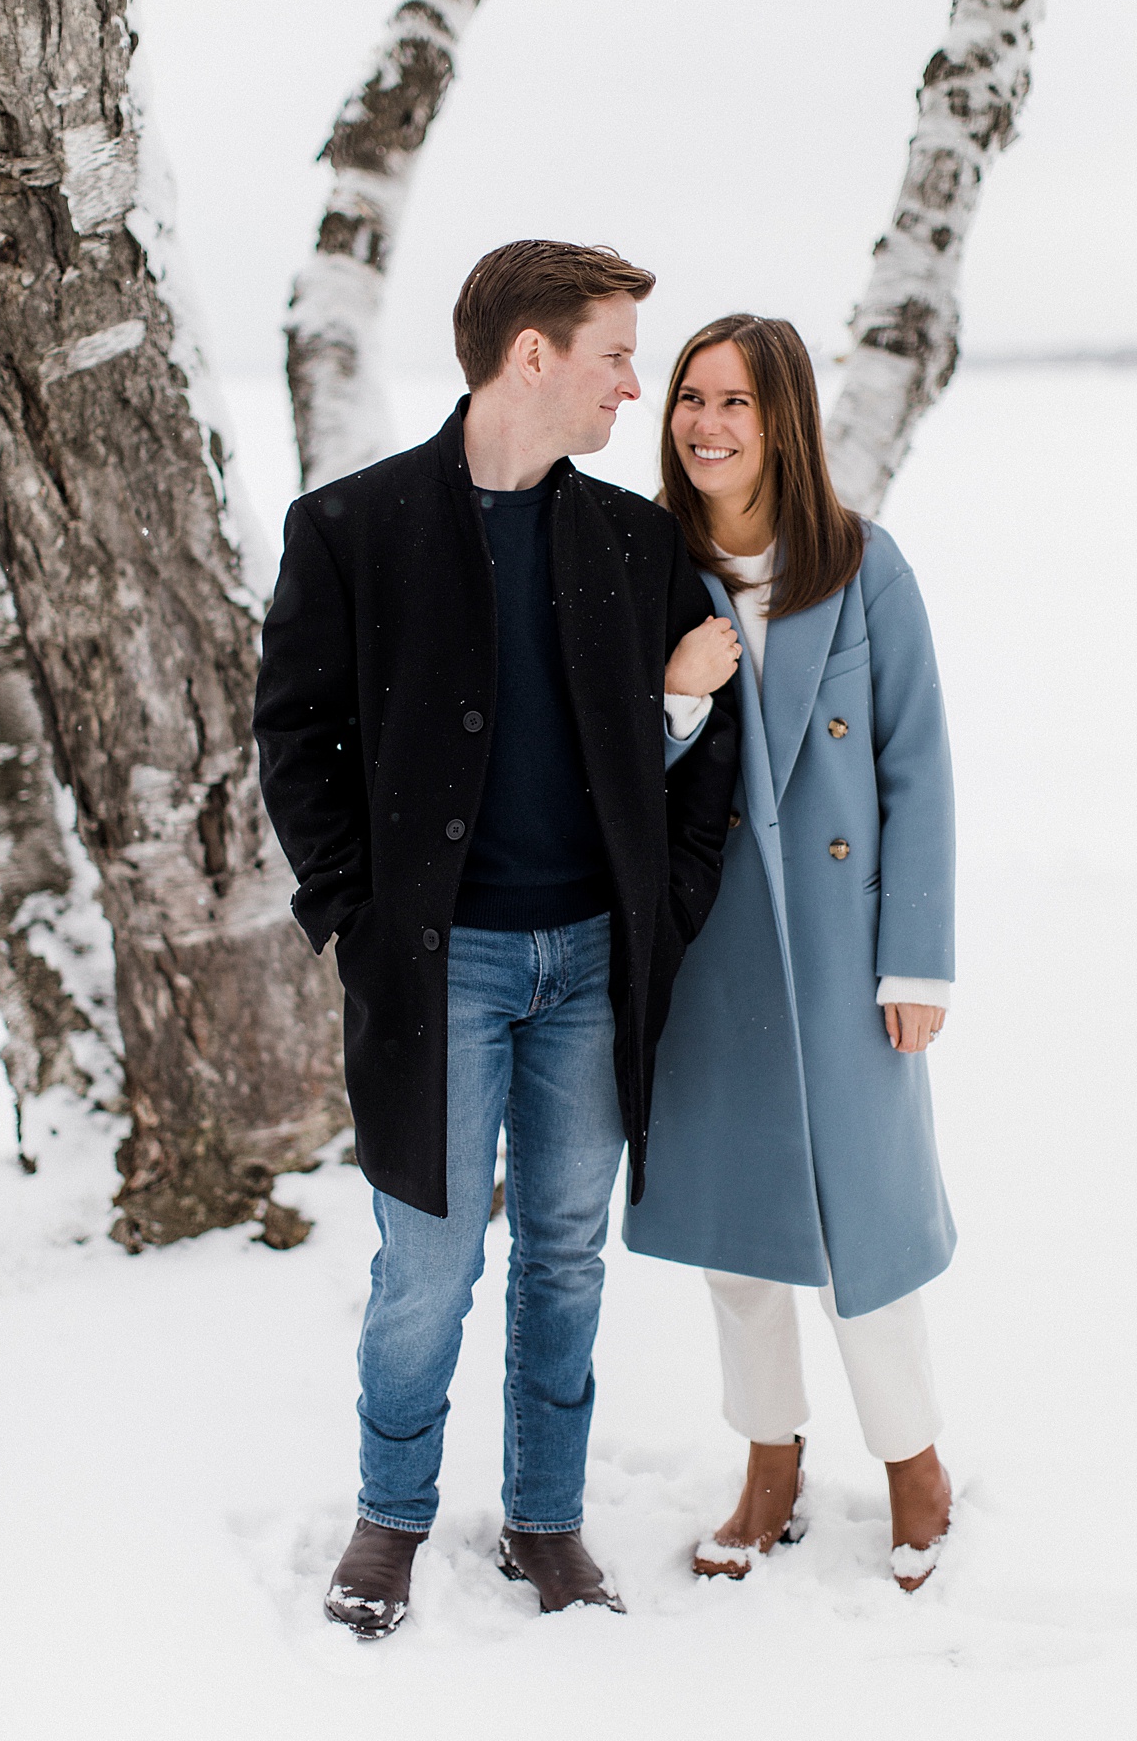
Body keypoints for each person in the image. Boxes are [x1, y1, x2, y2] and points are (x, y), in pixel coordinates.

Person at [253, 242, 741, 1637]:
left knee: (569, 1251)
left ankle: (546, 1518)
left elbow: (696, 759)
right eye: (614, 357)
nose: (632, 388)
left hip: (593, 963)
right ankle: (391, 1516)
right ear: (533, 356)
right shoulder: (352, 527)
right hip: (439, 969)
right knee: (427, 1258)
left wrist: (670, 905)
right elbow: (298, 739)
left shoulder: (637, 544)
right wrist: (356, 914)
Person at [624, 314, 956, 1592]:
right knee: (734, 1231)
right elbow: (611, 773)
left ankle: (911, 1459)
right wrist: (676, 695)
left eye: (733, 404)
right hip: (706, 956)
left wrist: (914, 962)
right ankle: (770, 1462)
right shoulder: (648, 567)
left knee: (862, 1219)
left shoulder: (864, 567)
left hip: (843, 959)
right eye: (688, 399)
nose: (704, 425)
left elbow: (915, 768)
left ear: (783, 423)